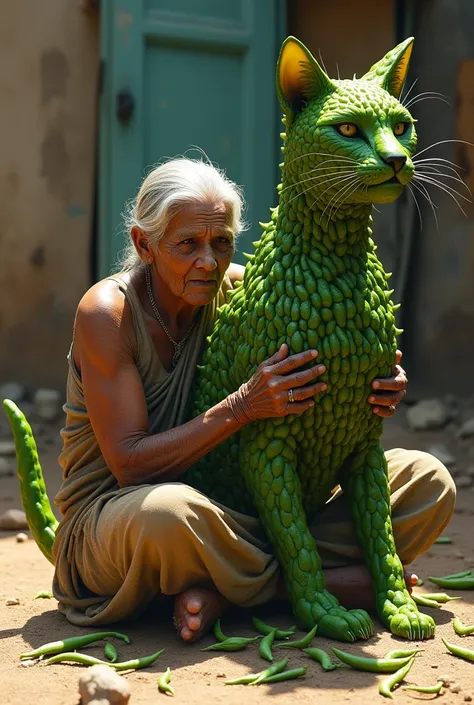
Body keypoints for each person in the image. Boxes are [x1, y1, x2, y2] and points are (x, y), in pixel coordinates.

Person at [52, 157, 456, 643]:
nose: (208, 261)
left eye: (221, 242)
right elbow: (131, 466)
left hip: (236, 514)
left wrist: (375, 379)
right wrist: (244, 405)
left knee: (427, 481)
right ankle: (310, 583)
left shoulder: (244, 289)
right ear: (145, 245)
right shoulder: (108, 313)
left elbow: (319, 371)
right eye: (187, 245)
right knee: (168, 515)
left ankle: (235, 590)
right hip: (120, 519)